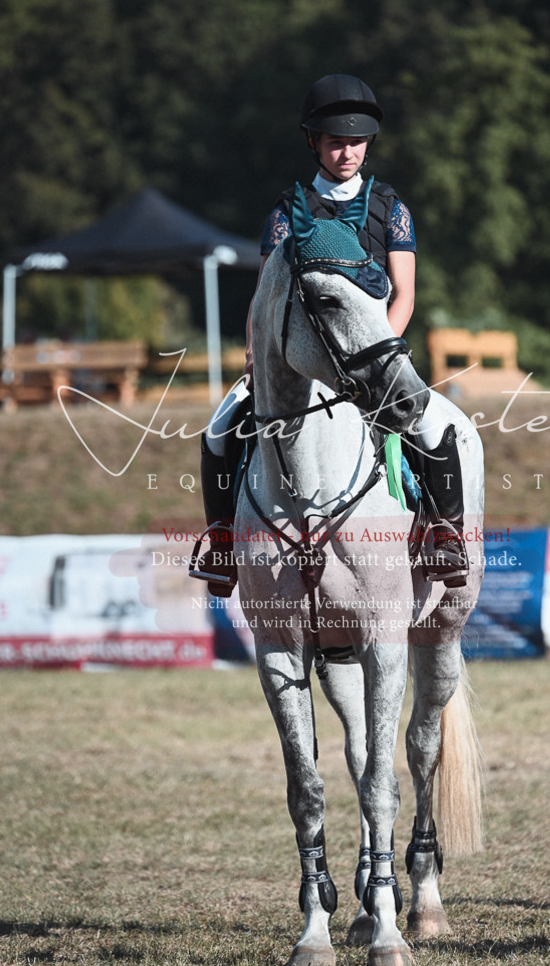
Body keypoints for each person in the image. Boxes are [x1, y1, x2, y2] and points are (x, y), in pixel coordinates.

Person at [190, 74, 468, 597]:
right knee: (218, 431)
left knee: (432, 424)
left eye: (357, 142)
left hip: (374, 354)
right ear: (313, 143)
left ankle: (445, 533)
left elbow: (404, 295)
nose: (348, 152)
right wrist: (254, 354)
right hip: (301, 359)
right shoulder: (287, 212)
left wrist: (379, 357)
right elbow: (265, 297)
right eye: (337, 142)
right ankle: (223, 541)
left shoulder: (391, 208)